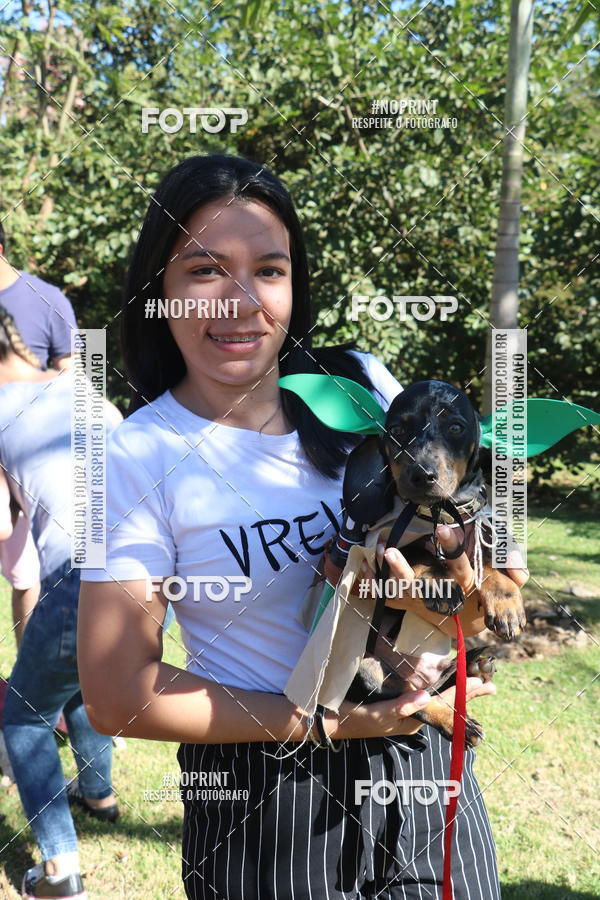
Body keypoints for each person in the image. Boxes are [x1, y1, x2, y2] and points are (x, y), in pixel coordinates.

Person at [78, 155, 528, 899]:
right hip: (267, 801)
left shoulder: (360, 387)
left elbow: (469, 539)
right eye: (205, 271)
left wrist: (461, 600)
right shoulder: (136, 453)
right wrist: (328, 725)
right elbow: (118, 694)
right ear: (160, 288)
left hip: (422, 768)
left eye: (270, 269)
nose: (242, 299)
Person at [0, 306, 122, 900]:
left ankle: (59, 870)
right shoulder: (85, 385)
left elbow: (1, 526)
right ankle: (98, 791)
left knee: (23, 716)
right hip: (152, 577)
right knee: (77, 678)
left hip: (79, 578)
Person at [0, 222, 79, 649]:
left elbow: (78, 378)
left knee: (29, 577)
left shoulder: (48, 299)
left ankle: (34, 682)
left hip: (33, 459)